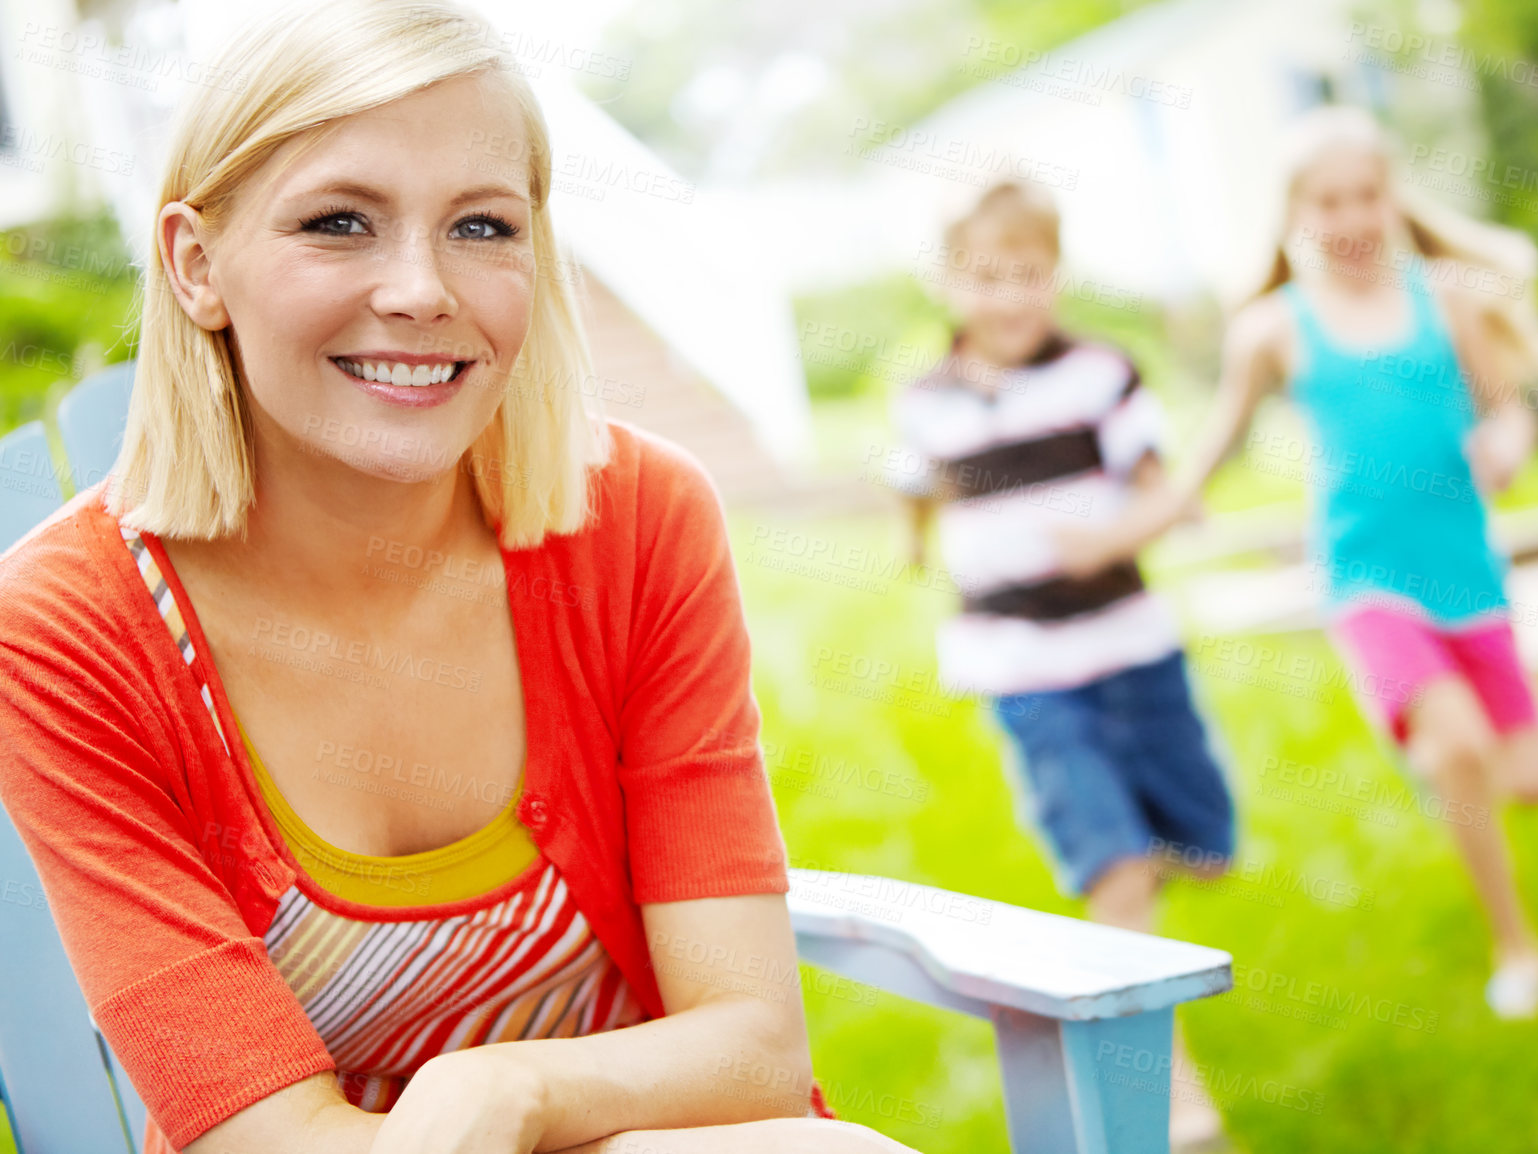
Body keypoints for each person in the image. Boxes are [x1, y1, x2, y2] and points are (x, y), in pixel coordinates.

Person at [0, 4, 917, 1153]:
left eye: (483, 226)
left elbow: (751, 1047)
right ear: (196, 266)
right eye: (339, 222)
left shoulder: (635, 522)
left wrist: (511, 1092)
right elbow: (255, 1129)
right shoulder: (69, 628)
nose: (422, 289)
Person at [1052, 105, 1538, 1020]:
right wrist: (1115, 537)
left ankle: (1449, 756)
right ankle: (1517, 945)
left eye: (1366, 195)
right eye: (1327, 201)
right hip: (1367, 579)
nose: (1351, 219)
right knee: (1460, 749)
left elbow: (1509, 409)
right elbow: (1206, 457)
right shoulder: (1272, 331)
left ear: (1390, 198)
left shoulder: (1446, 298)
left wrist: (1508, 445)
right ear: (1296, 213)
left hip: (1466, 573)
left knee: (1531, 779)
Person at [887, 180, 1237, 1151]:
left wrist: (1122, 529)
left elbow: (1160, 483)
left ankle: (1155, 867)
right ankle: (1174, 1100)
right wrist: (915, 543)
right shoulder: (926, 402)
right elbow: (917, 486)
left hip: (1128, 642)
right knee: (1115, 867)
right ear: (951, 282)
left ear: (1055, 274)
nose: (1010, 297)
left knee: (1200, 840)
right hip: (1019, 661)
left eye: (1028, 275)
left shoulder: (1098, 374)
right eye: (988, 277)